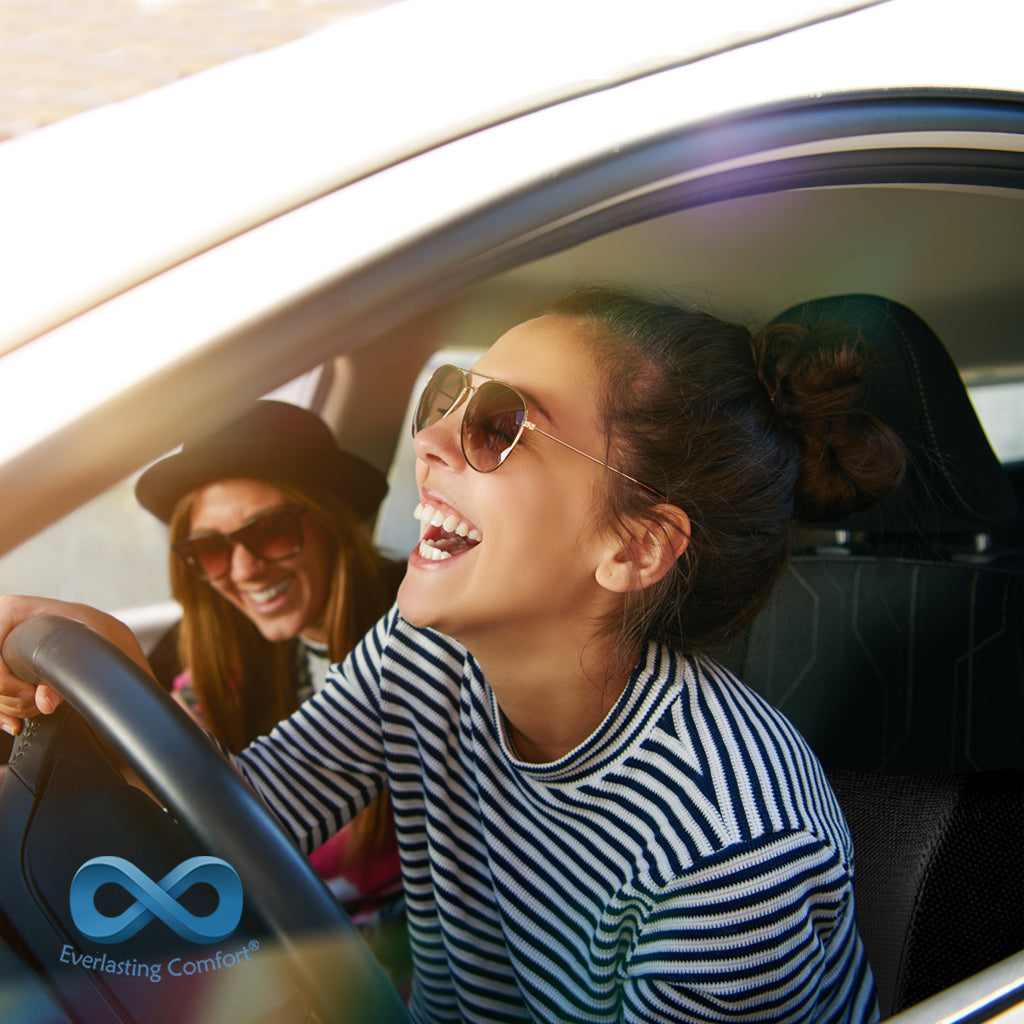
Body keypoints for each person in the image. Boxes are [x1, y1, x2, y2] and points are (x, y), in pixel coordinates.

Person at [0, 287, 906, 1023]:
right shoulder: (428, 661)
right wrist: (109, 708)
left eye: (501, 425)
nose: (427, 445)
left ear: (633, 546)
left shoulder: (731, 848)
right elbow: (235, 829)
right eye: (451, 401)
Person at [137, 399, 410, 988]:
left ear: (331, 521)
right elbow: (165, 786)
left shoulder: (416, 646)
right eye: (209, 550)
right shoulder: (231, 657)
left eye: (270, 531)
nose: (243, 570)